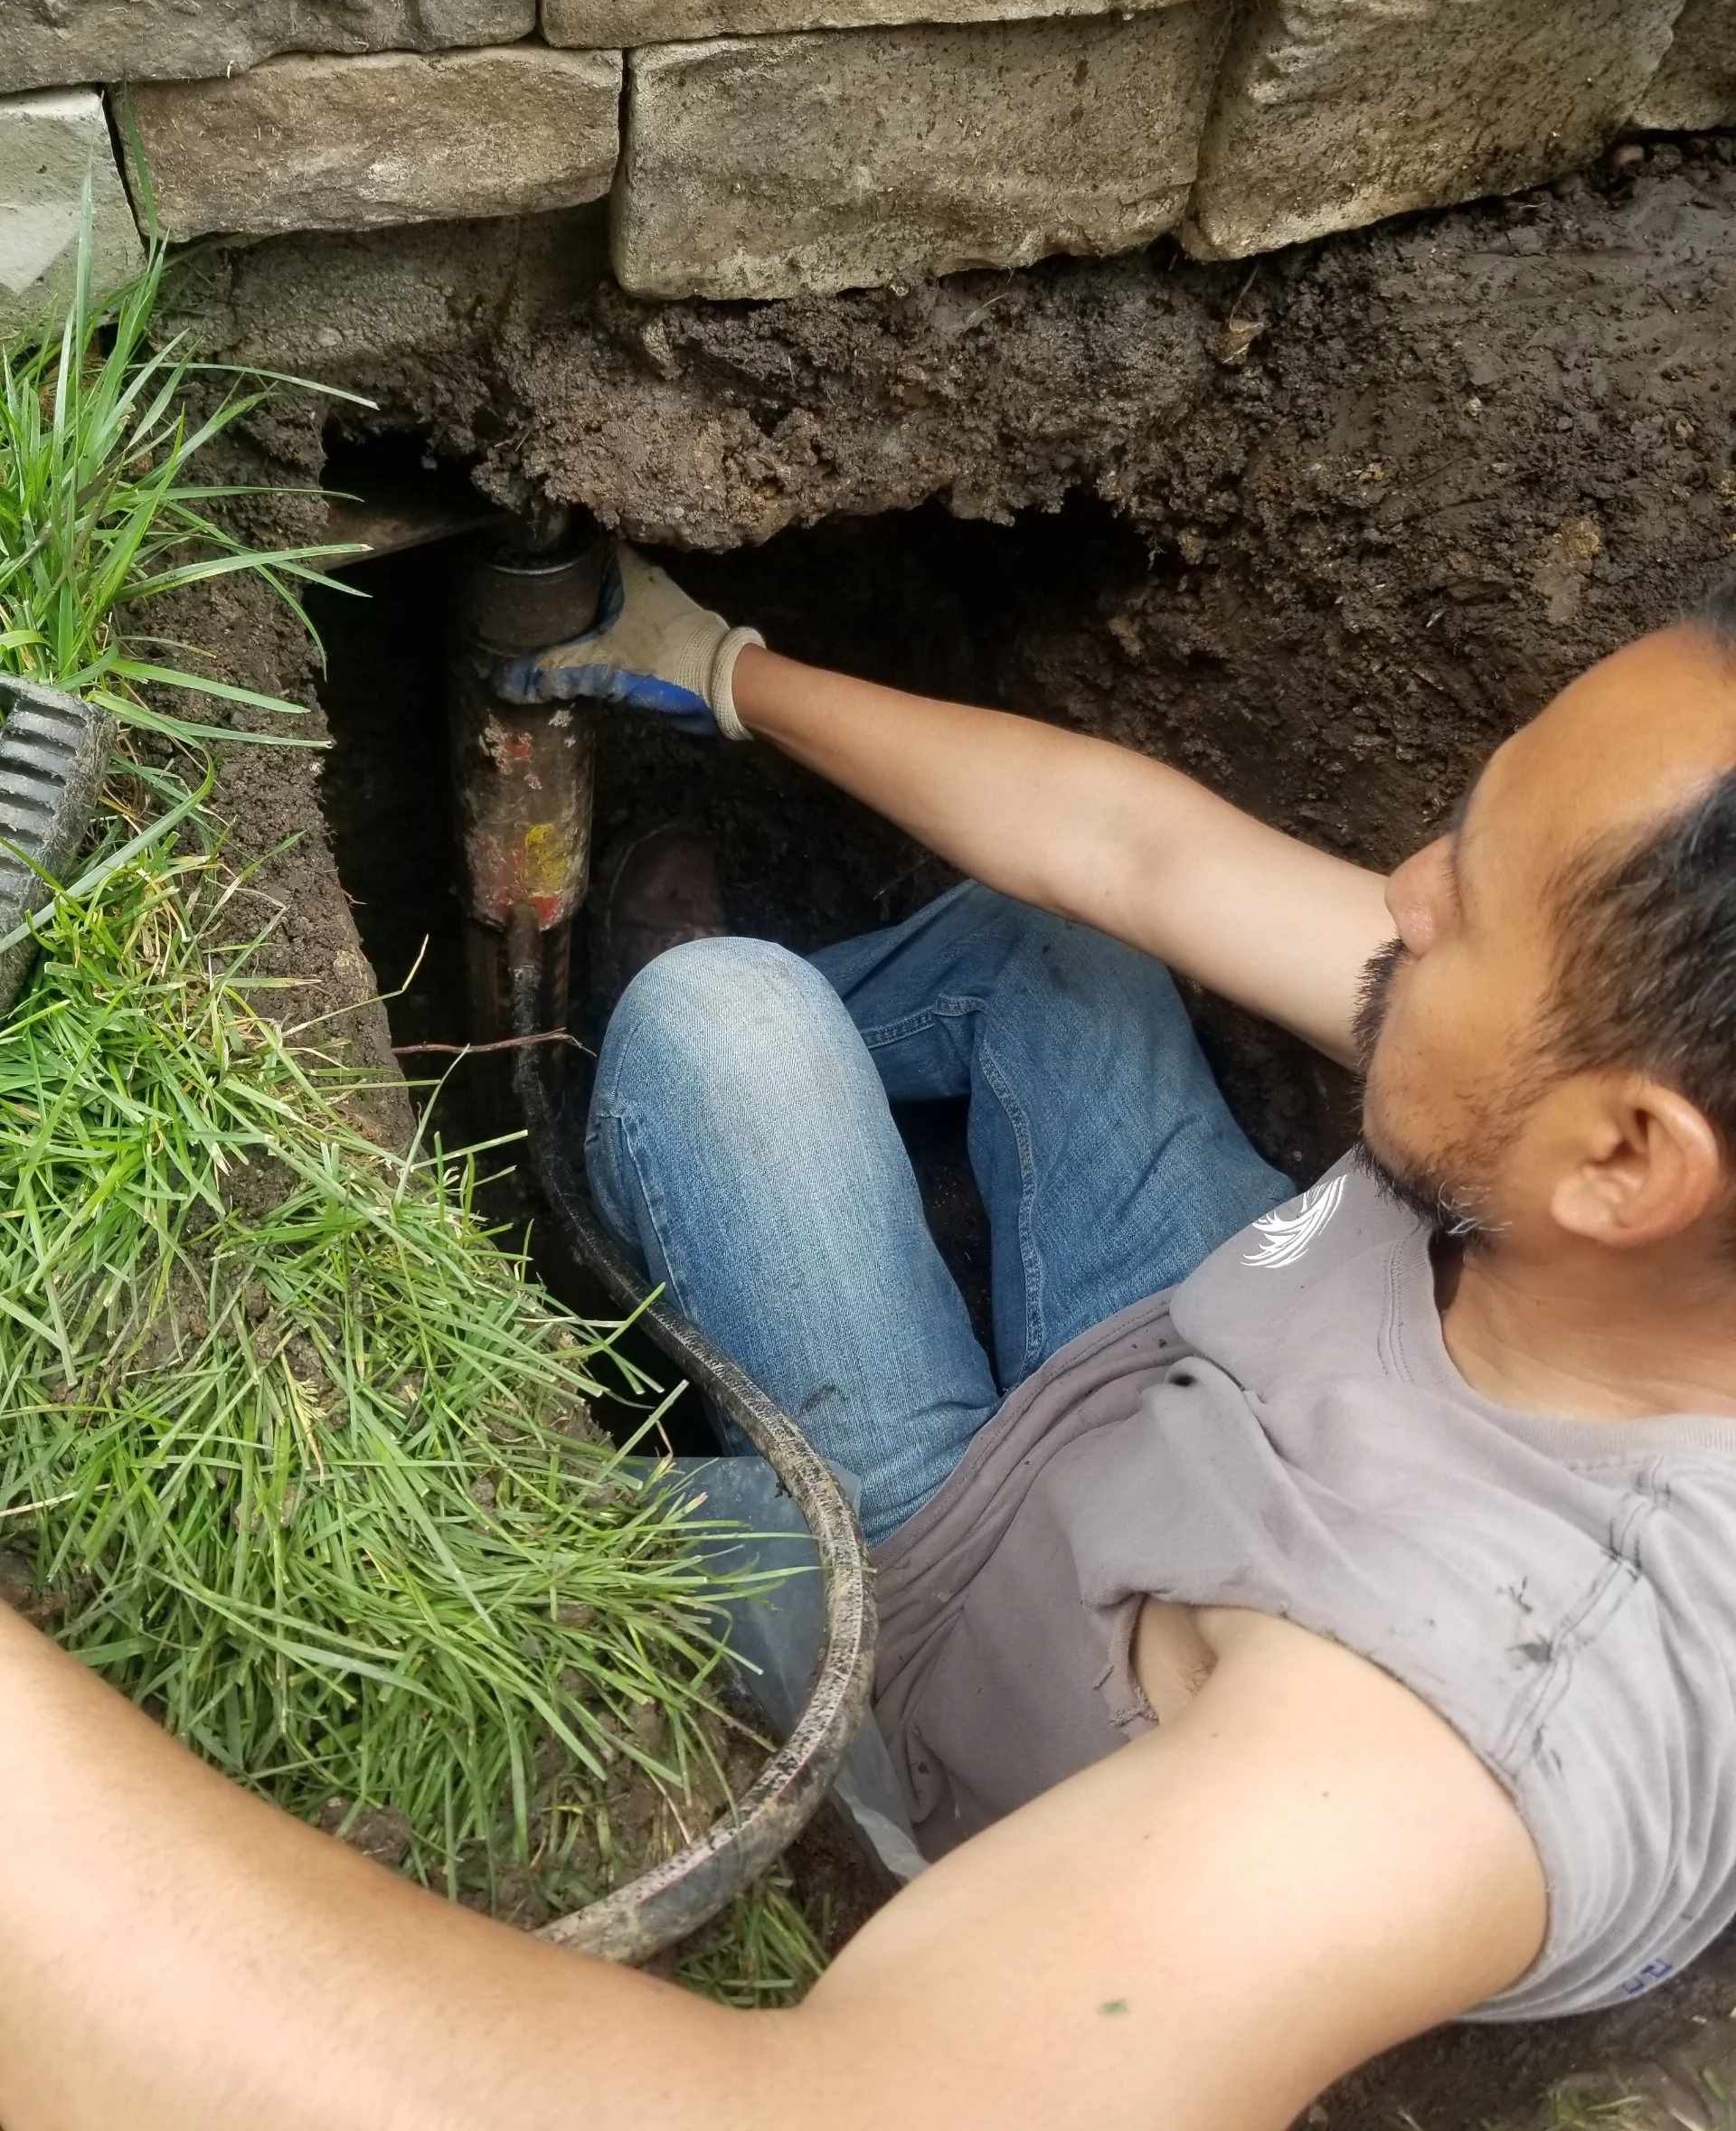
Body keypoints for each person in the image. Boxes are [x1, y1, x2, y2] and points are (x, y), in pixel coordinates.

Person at [5, 540, 1736, 2131]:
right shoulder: (1613, 1177)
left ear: (1626, 1160)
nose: (1406, 886)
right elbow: (1143, 853)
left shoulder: (1436, 1749)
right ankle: (670, 1062)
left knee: (689, 1090)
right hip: (1200, 1388)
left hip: (952, 1655)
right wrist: (714, 661)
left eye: (1477, 896)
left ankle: (599, 1109)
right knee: (1075, 951)